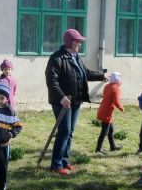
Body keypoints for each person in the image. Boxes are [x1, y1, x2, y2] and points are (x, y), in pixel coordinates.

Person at [45, 28, 108, 175]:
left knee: (70, 132)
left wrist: (101, 76)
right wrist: (62, 97)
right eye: (77, 41)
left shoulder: (76, 57)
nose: (80, 43)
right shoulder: (57, 58)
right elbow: (51, 81)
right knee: (64, 132)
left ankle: (65, 161)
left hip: (76, 101)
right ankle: (56, 165)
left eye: (80, 41)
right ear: (69, 42)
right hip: (62, 102)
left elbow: (84, 73)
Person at [95, 72, 124, 155]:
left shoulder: (107, 86)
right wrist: (122, 108)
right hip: (107, 112)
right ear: (117, 79)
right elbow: (116, 101)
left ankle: (113, 146)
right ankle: (98, 149)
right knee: (104, 132)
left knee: (111, 130)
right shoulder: (116, 88)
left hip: (103, 109)